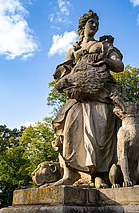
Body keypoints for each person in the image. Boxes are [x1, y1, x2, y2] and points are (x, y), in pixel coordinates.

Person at [52, 10, 124, 188]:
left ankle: (99, 175)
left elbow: (119, 66)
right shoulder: (73, 49)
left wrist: (105, 60)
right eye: (91, 22)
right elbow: (63, 74)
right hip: (78, 97)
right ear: (82, 26)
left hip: (101, 94)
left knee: (102, 132)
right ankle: (70, 174)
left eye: (96, 24)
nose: (94, 26)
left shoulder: (104, 46)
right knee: (69, 130)